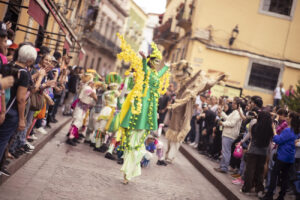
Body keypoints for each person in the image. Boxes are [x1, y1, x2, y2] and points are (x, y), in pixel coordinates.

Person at [117, 36, 170, 184]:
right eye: (155, 61)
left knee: (139, 147)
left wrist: (167, 67)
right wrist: (144, 58)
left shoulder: (155, 74)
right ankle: (127, 173)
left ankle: (129, 171)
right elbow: (144, 69)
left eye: (159, 62)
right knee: (133, 146)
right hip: (142, 105)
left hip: (149, 109)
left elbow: (159, 75)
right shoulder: (146, 71)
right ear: (151, 61)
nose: (157, 64)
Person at [0, 45, 37, 175]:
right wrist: (22, 119)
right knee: (3, 140)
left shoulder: (7, 65)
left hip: (1, 106)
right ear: (29, 61)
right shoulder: (25, 74)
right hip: (12, 111)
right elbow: (21, 99)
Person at [262, 112, 300, 200]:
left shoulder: (288, 130)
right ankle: (281, 196)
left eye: (288, 116)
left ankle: (269, 195)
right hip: (290, 157)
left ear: (291, 119)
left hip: (282, 156)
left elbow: (277, 140)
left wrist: (274, 129)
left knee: (274, 175)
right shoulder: (297, 130)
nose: (286, 118)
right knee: (285, 178)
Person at [241, 111, 274, 197]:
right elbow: (271, 139)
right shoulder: (270, 129)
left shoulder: (255, 126)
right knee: (260, 171)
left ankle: (247, 188)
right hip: (263, 152)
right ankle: (259, 189)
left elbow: (252, 138)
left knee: (250, 170)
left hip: (253, 151)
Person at [214, 98, 243, 173]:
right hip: (227, 134)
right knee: (225, 151)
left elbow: (232, 123)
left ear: (238, 105)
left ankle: (224, 168)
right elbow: (228, 119)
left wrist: (222, 123)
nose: (232, 104)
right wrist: (222, 112)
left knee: (226, 152)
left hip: (229, 135)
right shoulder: (235, 112)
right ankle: (222, 166)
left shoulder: (238, 113)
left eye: (234, 103)